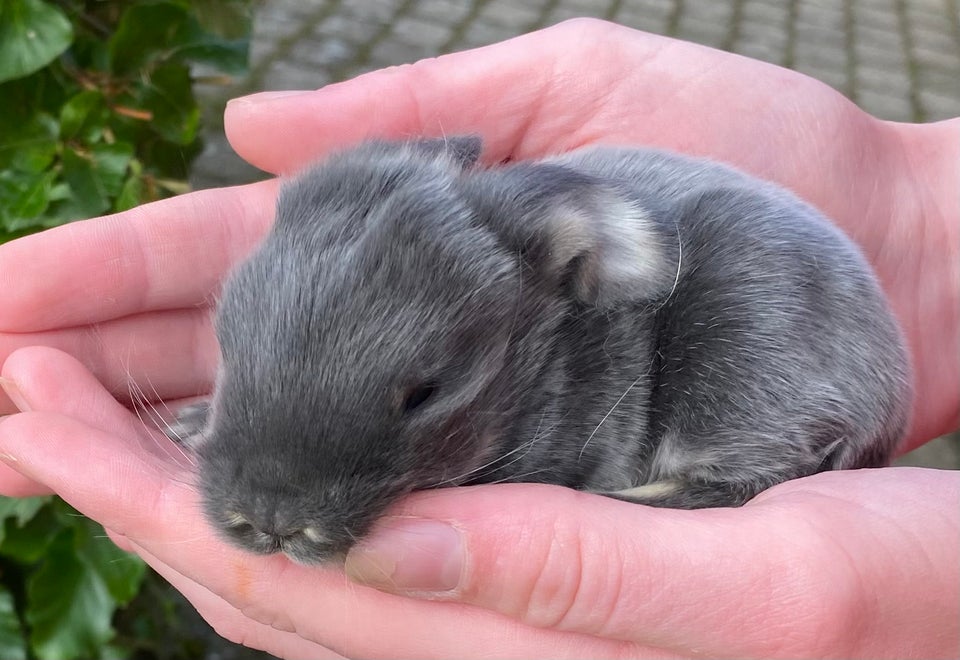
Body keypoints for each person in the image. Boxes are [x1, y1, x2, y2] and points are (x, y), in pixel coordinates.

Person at [0, 18, 956, 659]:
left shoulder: (541, 284)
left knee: (747, 275)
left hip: (801, 359)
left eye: (418, 397)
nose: (279, 522)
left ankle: (723, 473)